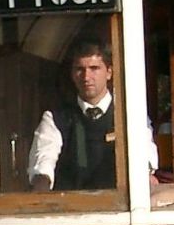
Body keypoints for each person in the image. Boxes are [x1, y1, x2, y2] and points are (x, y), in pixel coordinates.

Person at [27, 40, 157, 191]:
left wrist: (144, 172)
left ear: (109, 72)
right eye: (80, 69)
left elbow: (145, 151)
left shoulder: (130, 114)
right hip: (71, 208)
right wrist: (42, 184)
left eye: (94, 68)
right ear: (72, 74)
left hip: (118, 207)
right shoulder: (55, 119)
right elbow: (44, 159)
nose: (86, 77)